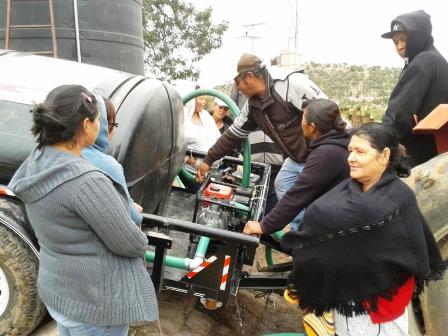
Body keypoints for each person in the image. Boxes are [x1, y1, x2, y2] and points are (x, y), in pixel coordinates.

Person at [8, 85, 158, 336]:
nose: (101, 126)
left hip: (60, 293)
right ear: (87, 125)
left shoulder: (35, 162)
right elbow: (130, 243)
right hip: (95, 305)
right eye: (99, 120)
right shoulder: (86, 181)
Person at [281, 122, 446, 336]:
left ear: (384, 155)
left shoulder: (397, 199)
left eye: (360, 151)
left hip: (377, 309)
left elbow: (401, 253)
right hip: (343, 304)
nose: (350, 157)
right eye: (350, 150)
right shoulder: (346, 189)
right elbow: (319, 224)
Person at [198, 53, 326, 228]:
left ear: (250, 77)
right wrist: (209, 159)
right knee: (282, 184)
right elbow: (234, 134)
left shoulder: (291, 84)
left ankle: (316, 231)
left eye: (239, 85)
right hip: (295, 158)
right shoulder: (252, 105)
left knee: (318, 199)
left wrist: (331, 150)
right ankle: (301, 231)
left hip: (320, 154)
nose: (239, 91)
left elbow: (327, 112)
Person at [243, 99, 350, 235]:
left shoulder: (325, 154)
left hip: (332, 228)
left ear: (312, 127)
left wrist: (264, 226)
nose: (301, 123)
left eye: (302, 119)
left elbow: (297, 194)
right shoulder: (337, 144)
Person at [381, 10, 448, 167]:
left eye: (404, 39)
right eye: (395, 42)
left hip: (417, 153)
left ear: (418, 36)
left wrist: (381, 140)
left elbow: (399, 112)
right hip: (437, 149)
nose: (400, 46)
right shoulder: (438, 60)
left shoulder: (421, 62)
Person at [82, 97, 143, 225]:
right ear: (104, 126)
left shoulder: (60, 154)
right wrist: (133, 208)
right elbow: (132, 216)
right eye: (113, 124)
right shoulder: (108, 165)